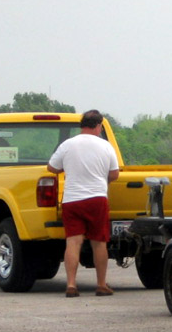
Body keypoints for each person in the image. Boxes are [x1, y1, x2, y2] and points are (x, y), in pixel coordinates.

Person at [47, 110, 120, 297]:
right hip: (97, 199)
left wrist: (68, 168)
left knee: (73, 242)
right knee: (99, 243)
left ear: (82, 125)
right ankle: (101, 284)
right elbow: (114, 174)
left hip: (72, 199)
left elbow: (52, 167)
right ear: (99, 126)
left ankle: (71, 284)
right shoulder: (105, 146)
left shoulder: (67, 145)